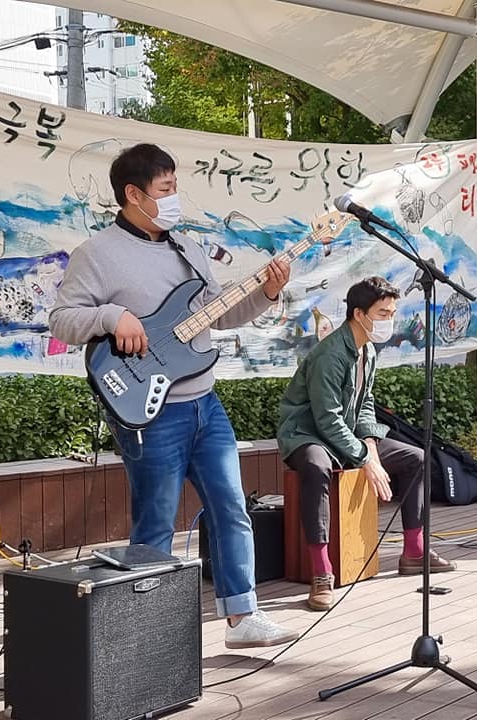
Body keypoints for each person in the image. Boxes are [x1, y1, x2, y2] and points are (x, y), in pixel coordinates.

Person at [49, 143, 299, 649]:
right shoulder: (96, 254)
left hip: (205, 403)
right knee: (156, 521)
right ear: (133, 194)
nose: (173, 197)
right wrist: (112, 317)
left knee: (232, 506)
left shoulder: (188, 248)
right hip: (150, 411)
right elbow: (62, 320)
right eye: (165, 189)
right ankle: (149, 635)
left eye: (175, 187)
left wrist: (267, 293)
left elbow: (218, 314)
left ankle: (242, 616)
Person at [277, 276, 455, 611]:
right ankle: (321, 574)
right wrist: (365, 457)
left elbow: (365, 403)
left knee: (417, 458)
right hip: (307, 434)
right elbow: (327, 419)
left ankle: (414, 551)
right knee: (316, 466)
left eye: (392, 314)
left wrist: (370, 444)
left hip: (344, 433)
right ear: (359, 314)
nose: (389, 321)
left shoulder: (368, 350)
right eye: (383, 314)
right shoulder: (330, 355)